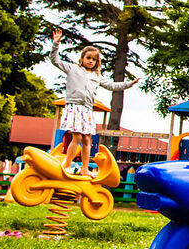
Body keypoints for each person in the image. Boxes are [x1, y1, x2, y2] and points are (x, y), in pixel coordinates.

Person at [50, 29, 140, 176]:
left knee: (87, 139)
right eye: (88, 58)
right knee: (77, 137)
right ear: (82, 58)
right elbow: (55, 60)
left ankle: (84, 169)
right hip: (75, 107)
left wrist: (129, 84)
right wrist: (56, 43)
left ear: (96, 62)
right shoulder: (73, 69)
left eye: (93, 59)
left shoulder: (96, 76)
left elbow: (112, 85)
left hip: (86, 110)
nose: (90, 61)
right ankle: (66, 165)